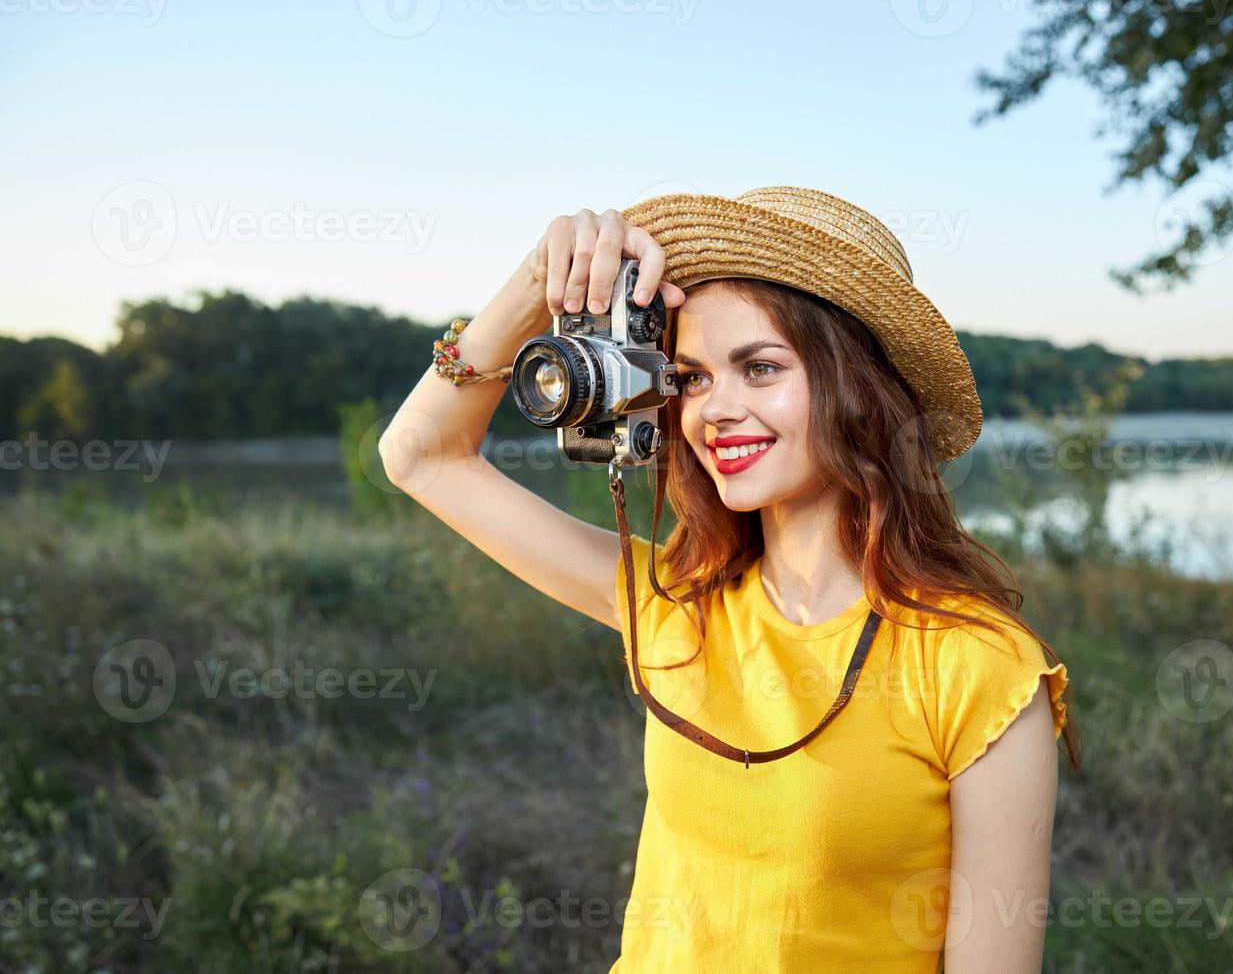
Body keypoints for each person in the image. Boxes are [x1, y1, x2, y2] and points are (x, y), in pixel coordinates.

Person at [379, 186, 1080, 973]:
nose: (715, 410)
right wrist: (537, 281)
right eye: (696, 377)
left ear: (859, 390)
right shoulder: (679, 604)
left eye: (761, 367)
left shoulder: (978, 669)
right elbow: (420, 456)